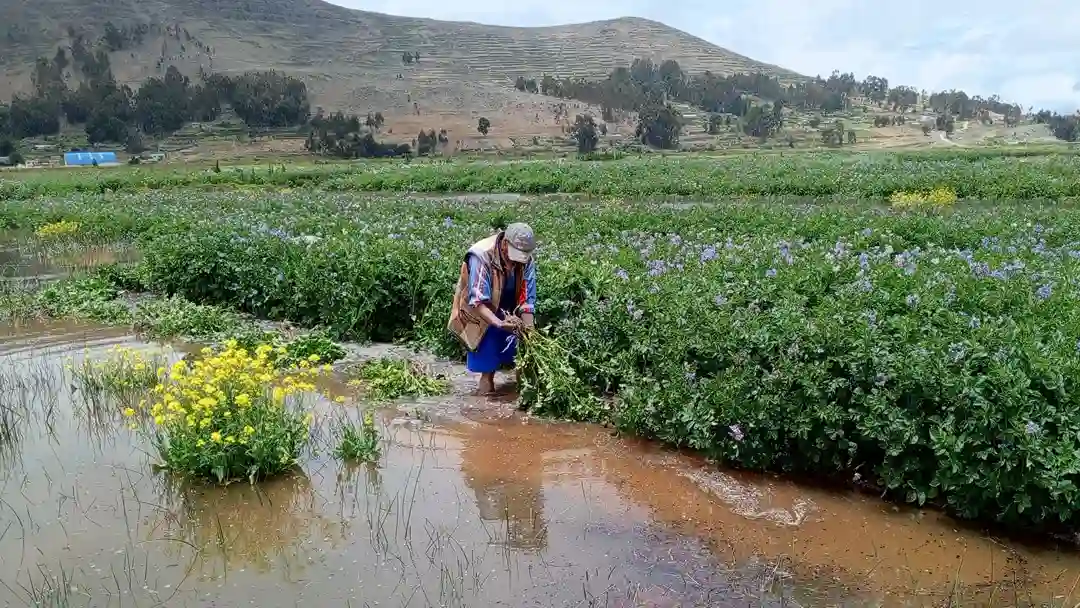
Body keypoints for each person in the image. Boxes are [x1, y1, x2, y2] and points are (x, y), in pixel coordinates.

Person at [447, 222, 537, 395]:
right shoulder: (481, 255)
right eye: (513, 258)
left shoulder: (527, 260)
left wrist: (530, 331)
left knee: (522, 358)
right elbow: (478, 301)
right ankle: (484, 403)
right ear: (505, 244)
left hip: (509, 308)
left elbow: (527, 300)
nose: (515, 263)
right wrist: (498, 323)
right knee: (487, 370)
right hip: (481, 312)